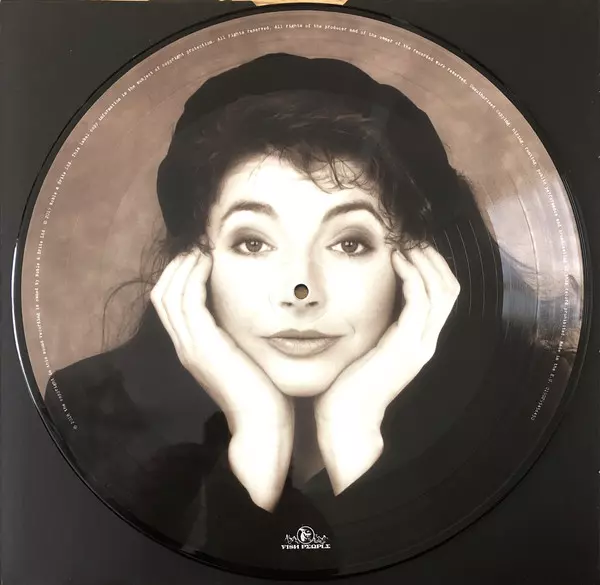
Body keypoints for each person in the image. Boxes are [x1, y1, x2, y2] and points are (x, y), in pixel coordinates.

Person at [44, 53, 556, 574]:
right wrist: (257, 434)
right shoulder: (92, 416)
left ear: (419, 264)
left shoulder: (515, 417)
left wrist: (354, 432)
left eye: (350, 243)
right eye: (253, 242)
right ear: (196, 263)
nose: (301, 288)